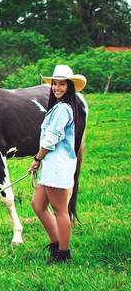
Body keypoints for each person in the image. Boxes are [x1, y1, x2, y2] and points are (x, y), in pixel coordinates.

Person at [28, 64, 87, 264]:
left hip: (57, 166)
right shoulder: (57, 108)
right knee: (38, 204)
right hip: (50, 166)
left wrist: (37, 159)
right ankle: (55, 244)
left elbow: (51, 138)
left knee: (60, 210)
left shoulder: (63, 109)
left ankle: (63, 254)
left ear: (69, 87)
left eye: (62, 84)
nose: (57, 88)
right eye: (55, 84)